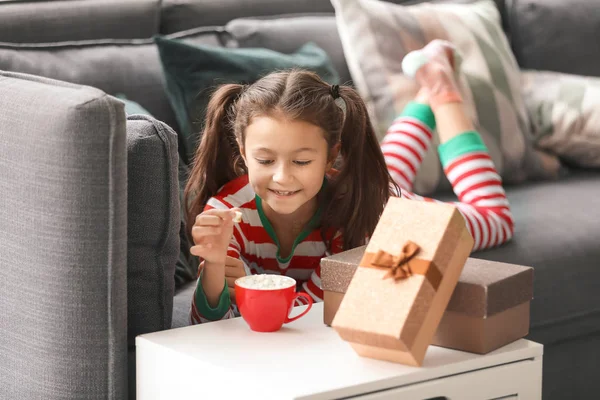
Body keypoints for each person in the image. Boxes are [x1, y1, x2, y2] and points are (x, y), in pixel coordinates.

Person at [185, 40, 514, 324]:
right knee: (384, 173)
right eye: (265, 160)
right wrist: (214, 266)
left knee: (495, 220)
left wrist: (247, 293)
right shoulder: (229, 215)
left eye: (301, 161)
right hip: (347, 188)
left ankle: (441, 90)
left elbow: (311, 313)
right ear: (243, 152)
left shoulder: (355, 222)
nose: (282, 177)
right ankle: (428, 89)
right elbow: (206, 324)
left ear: (331, 157)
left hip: (382, 210)